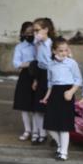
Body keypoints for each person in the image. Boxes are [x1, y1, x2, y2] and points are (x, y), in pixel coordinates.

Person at [40, 37, 82, 161]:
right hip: (54, 94)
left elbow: (78, 79)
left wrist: (71, 91)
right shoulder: (50, 64)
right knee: (49, 125)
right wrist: (46, 97)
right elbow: (50, 83)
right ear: (54, 51)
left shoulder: (71, 63)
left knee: (64, 126)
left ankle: (64, 152)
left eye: (66, 50)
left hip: (67, 94)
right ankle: (60, 144)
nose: (64, 53)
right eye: (60, 51)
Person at [31, 17, 56, 145]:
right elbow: (37, 61)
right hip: (41, 74)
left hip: (51, 74)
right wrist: (36, 79)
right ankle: (42, 134)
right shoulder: (38, 43)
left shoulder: (53, 44)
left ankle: (55, 136)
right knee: (38, 106)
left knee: (51, 106)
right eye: (34, 31)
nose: (35, 33)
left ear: (46, 30)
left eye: (37, 30)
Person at [12, 21, 36, 141]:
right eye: (28, 33)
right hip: (26, 76)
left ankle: (38, 132)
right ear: (23, 34)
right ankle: (27, 130)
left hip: (39, 75)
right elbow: (16, 64)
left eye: (33, 32)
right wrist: (30, 63)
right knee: (24, 105)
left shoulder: (40, 44)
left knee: (37, 106)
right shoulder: (20, 47)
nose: (31, 35)